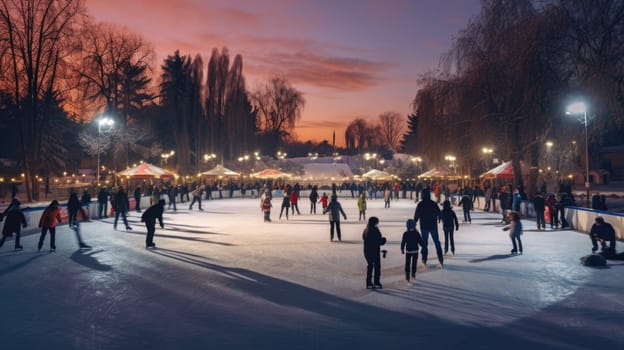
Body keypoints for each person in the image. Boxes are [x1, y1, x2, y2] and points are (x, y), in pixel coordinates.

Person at [413, 188, 443, 267]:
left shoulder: (420, 204)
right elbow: (439, 213)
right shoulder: (433, 203)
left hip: (424, 226)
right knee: (436, 242)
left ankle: (424, 258)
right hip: (433, 225)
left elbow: (416, 215)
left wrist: (414, 223)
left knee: (424, 243)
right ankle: (440, 258)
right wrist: (439, 218)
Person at [362, 216, 386, 289]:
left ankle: (369, 282)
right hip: (375, 251)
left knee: (370, 266)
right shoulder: (375, 231)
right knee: (377, 267)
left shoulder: (366, 230)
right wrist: (384, 240)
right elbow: (378, 241)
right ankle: (376, 282)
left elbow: (364, 238)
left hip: (367, 251)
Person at [400, 219, 422, 283]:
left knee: (407, 263)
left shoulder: (406, 233)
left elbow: (403, 242)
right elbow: (420, 242)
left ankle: (407, 275)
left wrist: (402, 249)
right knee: (414, 263)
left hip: (408, 251)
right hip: (415, 250)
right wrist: (424, 247)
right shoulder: (417, 233)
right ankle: (413, 273)